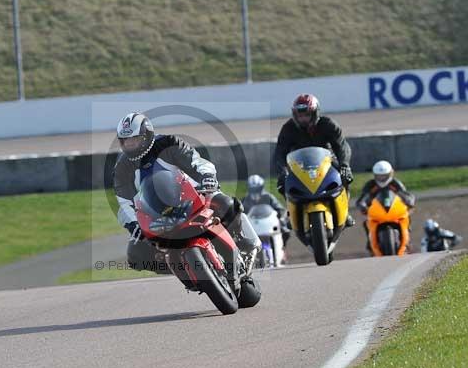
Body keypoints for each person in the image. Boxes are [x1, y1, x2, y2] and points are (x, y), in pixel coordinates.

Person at [112, 112, 260, 275]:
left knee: (226, 204)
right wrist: (134, 224)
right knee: (136, 255)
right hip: (157, 214)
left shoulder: (169, 144)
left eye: (134, 139)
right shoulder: (122, 167)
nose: (130, 144)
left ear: (146, 135)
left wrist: (207, 177)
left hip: (196, 194)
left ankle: (248, 242)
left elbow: (196, 162)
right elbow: (124, 201)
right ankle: (185, 270)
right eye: (126, 141)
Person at [273, 93, 355, 227]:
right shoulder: (288, 128)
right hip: (299, 164)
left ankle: (345, 211)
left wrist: (345, 164)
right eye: (300, 116)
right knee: (283, 184)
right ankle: (292, 213)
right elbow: (279, 152)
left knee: (345, 176)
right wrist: (282, 171)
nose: (303, 119)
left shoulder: (328, 124)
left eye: (306, 115)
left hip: (327, 161)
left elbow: (342, 146)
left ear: (315, 113)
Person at [356, 160, 416, 253]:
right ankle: (370, 244)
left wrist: (409, 201)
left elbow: (405, 194)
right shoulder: (370, 185)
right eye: (379, 176)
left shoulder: (395, 183)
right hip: (376, 213)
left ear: (390, 174)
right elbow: (362, 198)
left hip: (394, 211)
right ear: (375, 175)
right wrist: (362, 205)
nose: (382, 179)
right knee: (366, 223)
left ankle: (407, 240)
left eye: (384, 176)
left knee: (407, 217)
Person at [241, 174, 291, 245]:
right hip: (253, 227)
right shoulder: (245, 200)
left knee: (285, 231)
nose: (255, 192)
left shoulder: (268, 197)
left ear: (261, 188)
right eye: (253, 189)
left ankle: (282, 247)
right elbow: (239, 214)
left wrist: (281, 218)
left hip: (269, 225)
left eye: (257, 189)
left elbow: (280, 209)